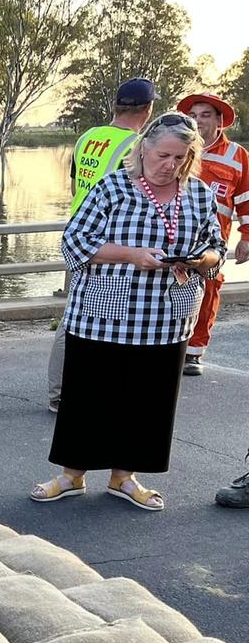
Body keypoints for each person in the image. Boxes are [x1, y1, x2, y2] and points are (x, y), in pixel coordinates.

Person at [30, 112, 224, 512]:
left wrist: (200, 259)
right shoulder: (113, 187)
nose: (170, 165)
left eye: (181, 158)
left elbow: (216, 248)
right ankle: (72, 475)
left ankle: (124, 478)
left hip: (166, 318)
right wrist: (131, 255)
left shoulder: (201, 195)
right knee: (89, 397)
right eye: (163, 155)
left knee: (146, 402)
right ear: (144, 149)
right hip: (104, 313)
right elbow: (74, 243)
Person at [47, 78, 155, 412]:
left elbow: (75, 183)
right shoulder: (136, 144)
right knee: (98, 318)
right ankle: (74, 391)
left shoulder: (87, 138)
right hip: (112, 238)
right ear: (148, 109)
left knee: (76, 313)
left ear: (116, 106)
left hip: (79, 231)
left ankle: (61, 390)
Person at [175, 93, 249, 376]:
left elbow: (246, 199)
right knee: (168, 289)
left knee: (209, 291)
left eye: (205, 115)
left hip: (212, 242)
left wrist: (246, 237)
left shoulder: (237, 156)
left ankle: (194, 353)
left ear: (220, 121)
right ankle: (168, 345)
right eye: (193, 115)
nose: (197, 121)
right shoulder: (177, 147)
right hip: (175, 236)